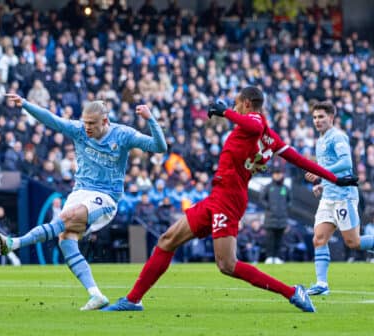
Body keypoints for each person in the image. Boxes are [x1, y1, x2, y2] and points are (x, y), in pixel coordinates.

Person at [103, 86, 358, 313]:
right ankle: (133, 299)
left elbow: (254, 125)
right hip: (218, 195)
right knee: (168, 240)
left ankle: (292, 292)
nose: (234, 107)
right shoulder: (270, 138)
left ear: (247, 103)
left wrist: (226, 113)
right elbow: (299, 159)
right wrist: (335, 179)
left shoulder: (255, 123)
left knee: (227, 264)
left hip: (229, 199)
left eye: (236, 103)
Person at [0, 93, 167, 310]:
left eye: (92, 124)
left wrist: (150, 119)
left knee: (67, 217)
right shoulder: (78, 130)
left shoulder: (122, 135)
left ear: (105, 121)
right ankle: (95, 294)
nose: (87, 127)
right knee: (65, 239)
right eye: (85, 122)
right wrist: (26, 105)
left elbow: (159, 147)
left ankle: (15, 243)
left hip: (106, 197)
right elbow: (52, 120)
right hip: (80, 191)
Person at [304, 101, 374, 295]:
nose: (317, 121)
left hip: (344, 197)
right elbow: (331, 171)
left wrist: (320, 173)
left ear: (331, 118)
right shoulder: (320, 140)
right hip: (328, 197)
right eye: (315, 117)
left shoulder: (338, 137)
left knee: (354, 242)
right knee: (319, 238)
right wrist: (322, 184)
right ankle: (321, 284)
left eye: (321, 117)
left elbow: (346, 162)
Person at [261, 166, 291, 264]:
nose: (277, 176)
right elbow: (262, 199)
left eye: (279, 174)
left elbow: (290, 201)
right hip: (270, 218)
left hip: (282, 218)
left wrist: (284, 208)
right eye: (276, 174)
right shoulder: (268, 187)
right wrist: (269, 207)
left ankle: (277, 257)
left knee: (280, 239)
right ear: (273, 175)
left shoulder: (285, 188)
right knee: (270, 239)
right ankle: (269, 257)